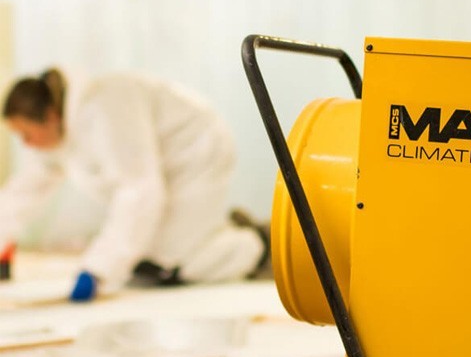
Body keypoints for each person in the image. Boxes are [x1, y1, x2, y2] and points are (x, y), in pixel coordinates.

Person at [0, 68, 269, 301]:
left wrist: (98, 269)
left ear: (50, 116)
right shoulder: (57, 133)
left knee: (174, 265)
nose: (26, 143)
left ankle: (258, 245)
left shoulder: (104, 109)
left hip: (196, 154)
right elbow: (22, 194)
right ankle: (223, 230)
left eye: (26, 133)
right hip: (162, 169)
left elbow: (138, 190)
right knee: (143, 266)